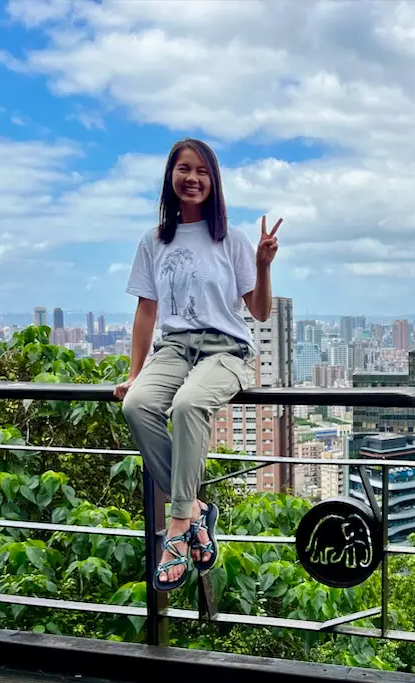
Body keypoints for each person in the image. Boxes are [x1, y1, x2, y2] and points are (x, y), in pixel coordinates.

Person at [113, 138, 282, 591]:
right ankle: (196, 511)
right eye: (184, 169)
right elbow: (146, 312)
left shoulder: (232, 239)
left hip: (226, 350)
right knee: (137, 406)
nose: (193, 179)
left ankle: (177, 527)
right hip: (173, 349)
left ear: (214, 181)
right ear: (171, 177)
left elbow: (261, 311)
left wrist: (263, 265)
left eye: (202, 171)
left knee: (189, 405)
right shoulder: (154, 242)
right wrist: (134, 375)